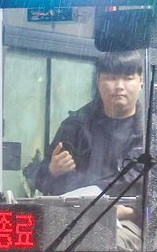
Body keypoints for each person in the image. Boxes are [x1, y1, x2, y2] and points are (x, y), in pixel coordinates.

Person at [31, 52, 145, 196]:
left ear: (141, 81)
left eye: (128, 78)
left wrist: (132, 212)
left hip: (137, 218)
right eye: (111, 78)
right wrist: (52, 170)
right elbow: (41, 183)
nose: (119, 86)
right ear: (98, 81)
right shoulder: (75, 126)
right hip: (81, 216)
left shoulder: (155, 132)